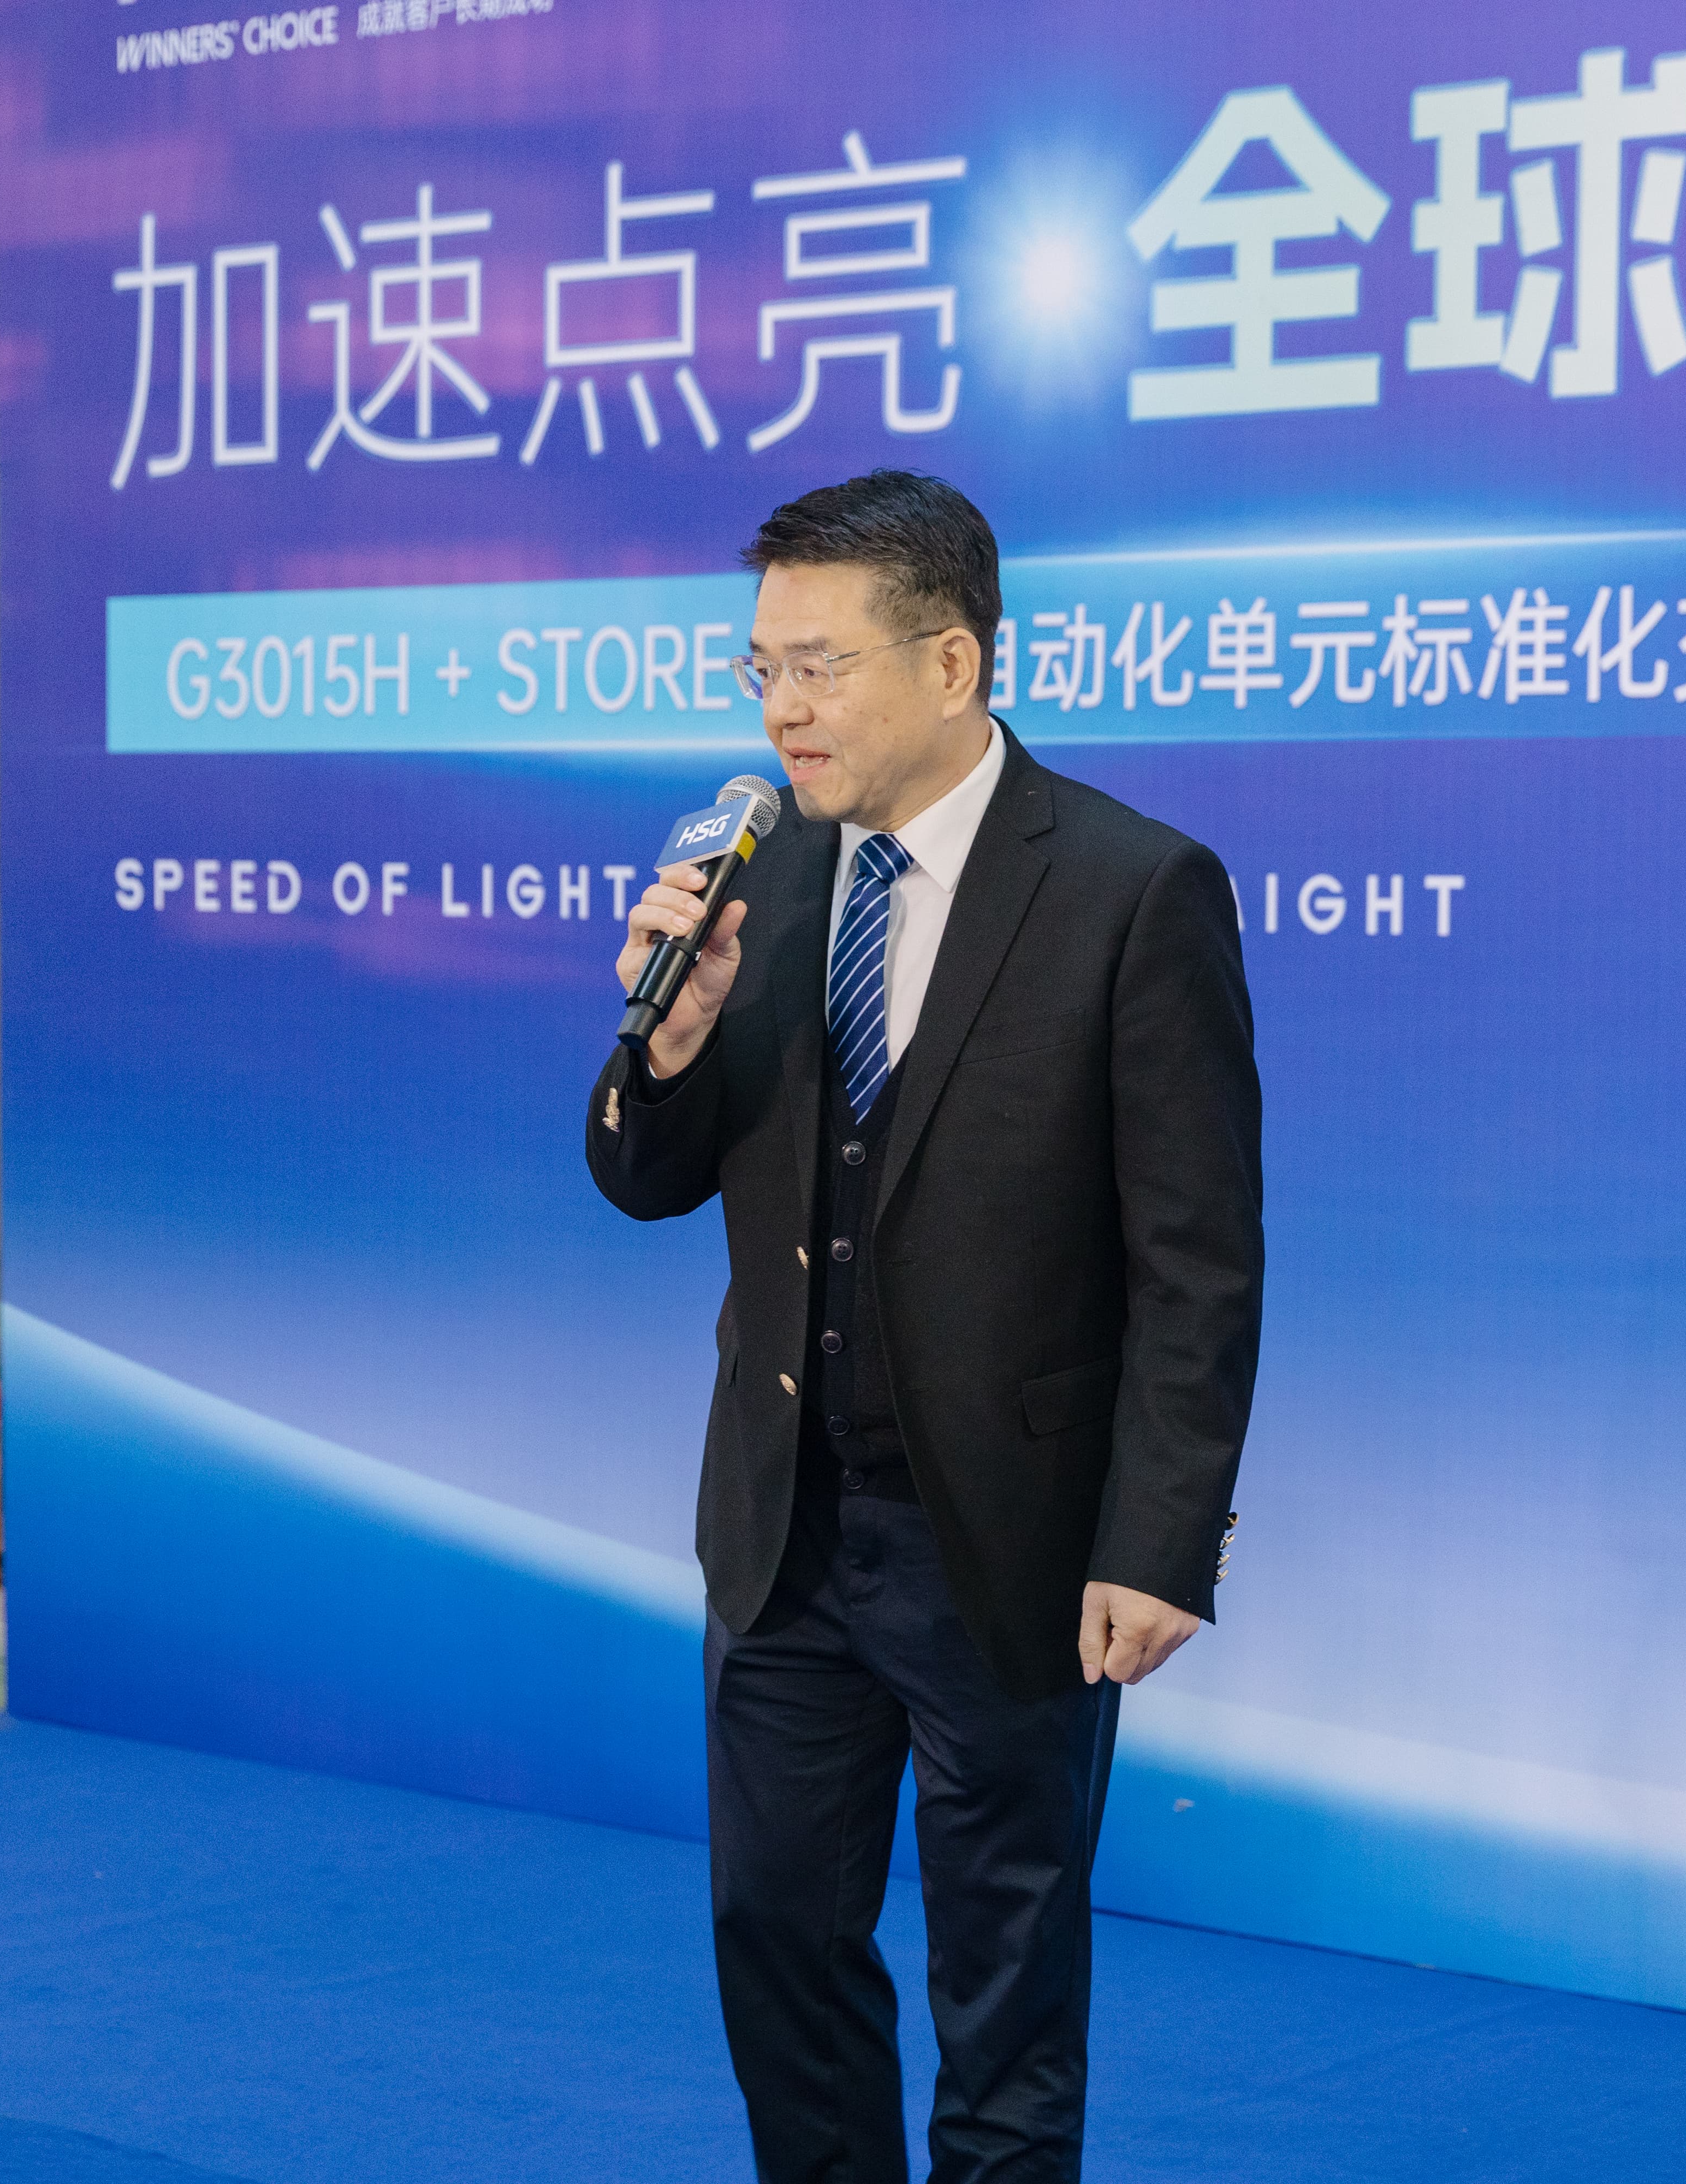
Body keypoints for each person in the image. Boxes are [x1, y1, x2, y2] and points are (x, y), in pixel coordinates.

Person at [584, 470, 1264, 2183]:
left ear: (952, 663)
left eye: (818, 667)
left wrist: (1161, 1540)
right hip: (788, 1531)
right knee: (779, 1946)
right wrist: (667, 1049)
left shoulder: (1129, 888)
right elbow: (646, 1181)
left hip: (1009, 1544)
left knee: (1005, 1985)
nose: (780, 710)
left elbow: (1199, 1261)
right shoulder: (760, 879)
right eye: (761, 670)